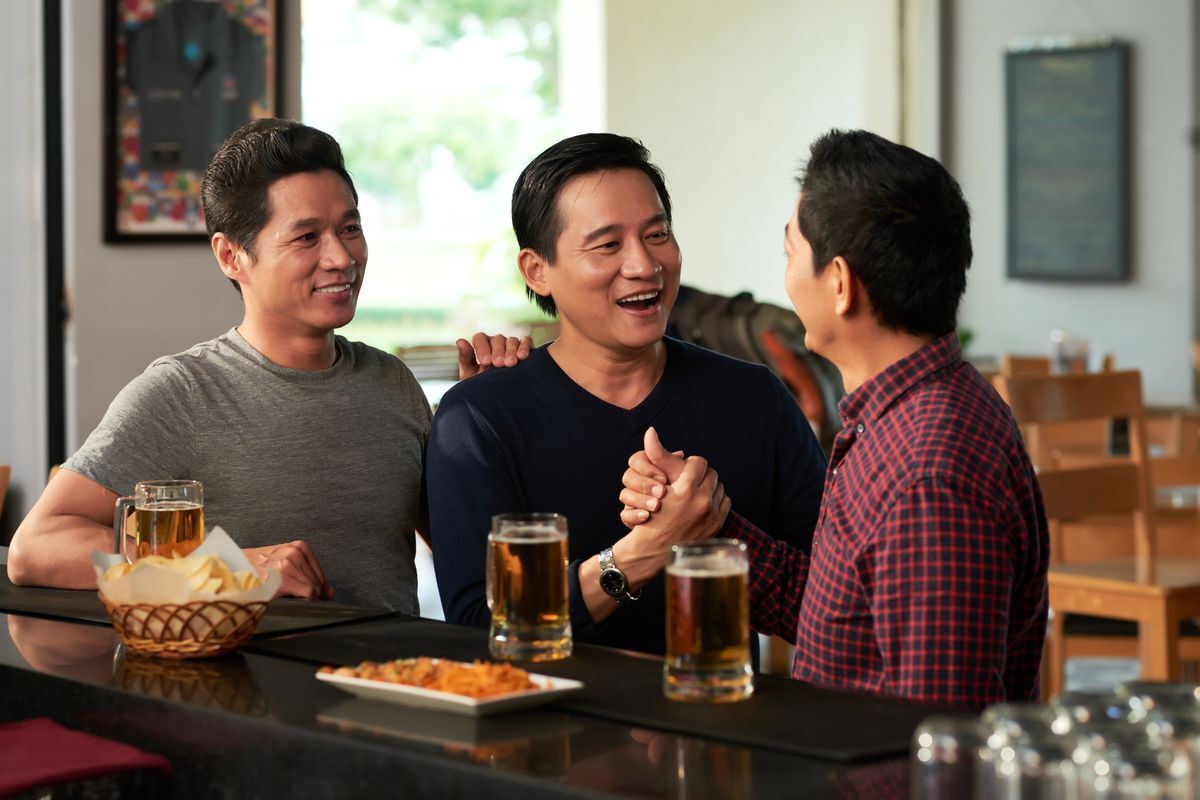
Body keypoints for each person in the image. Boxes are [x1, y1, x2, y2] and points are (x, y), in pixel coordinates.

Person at [8, 118, 527, 611]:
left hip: (386, 684)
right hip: (241, 694)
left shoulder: (391, 382)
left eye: (350, 228)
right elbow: (38, 547)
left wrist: (480, 424)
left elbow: (468, 558)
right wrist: (227, 566)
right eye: (306, 238)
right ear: (232, 256)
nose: (342, 257)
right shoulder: (181, 393)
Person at [621, 130, 1048, 708]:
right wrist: (705, 526)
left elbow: (936, 735)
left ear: (841, 284)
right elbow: (845, 622)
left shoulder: (928, 471)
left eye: (790, 253)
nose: (788, 277)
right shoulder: (897, 417)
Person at [426, 133, 827, 656]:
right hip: (546, 731)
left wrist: (717, 529)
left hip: (718, 720)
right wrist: (644, 552)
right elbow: (481, 628)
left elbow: (832, 608)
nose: (643, 265)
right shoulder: (478, 419)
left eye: (657, 234)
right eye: (608, 244)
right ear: (537, 270)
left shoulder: (754, 398)